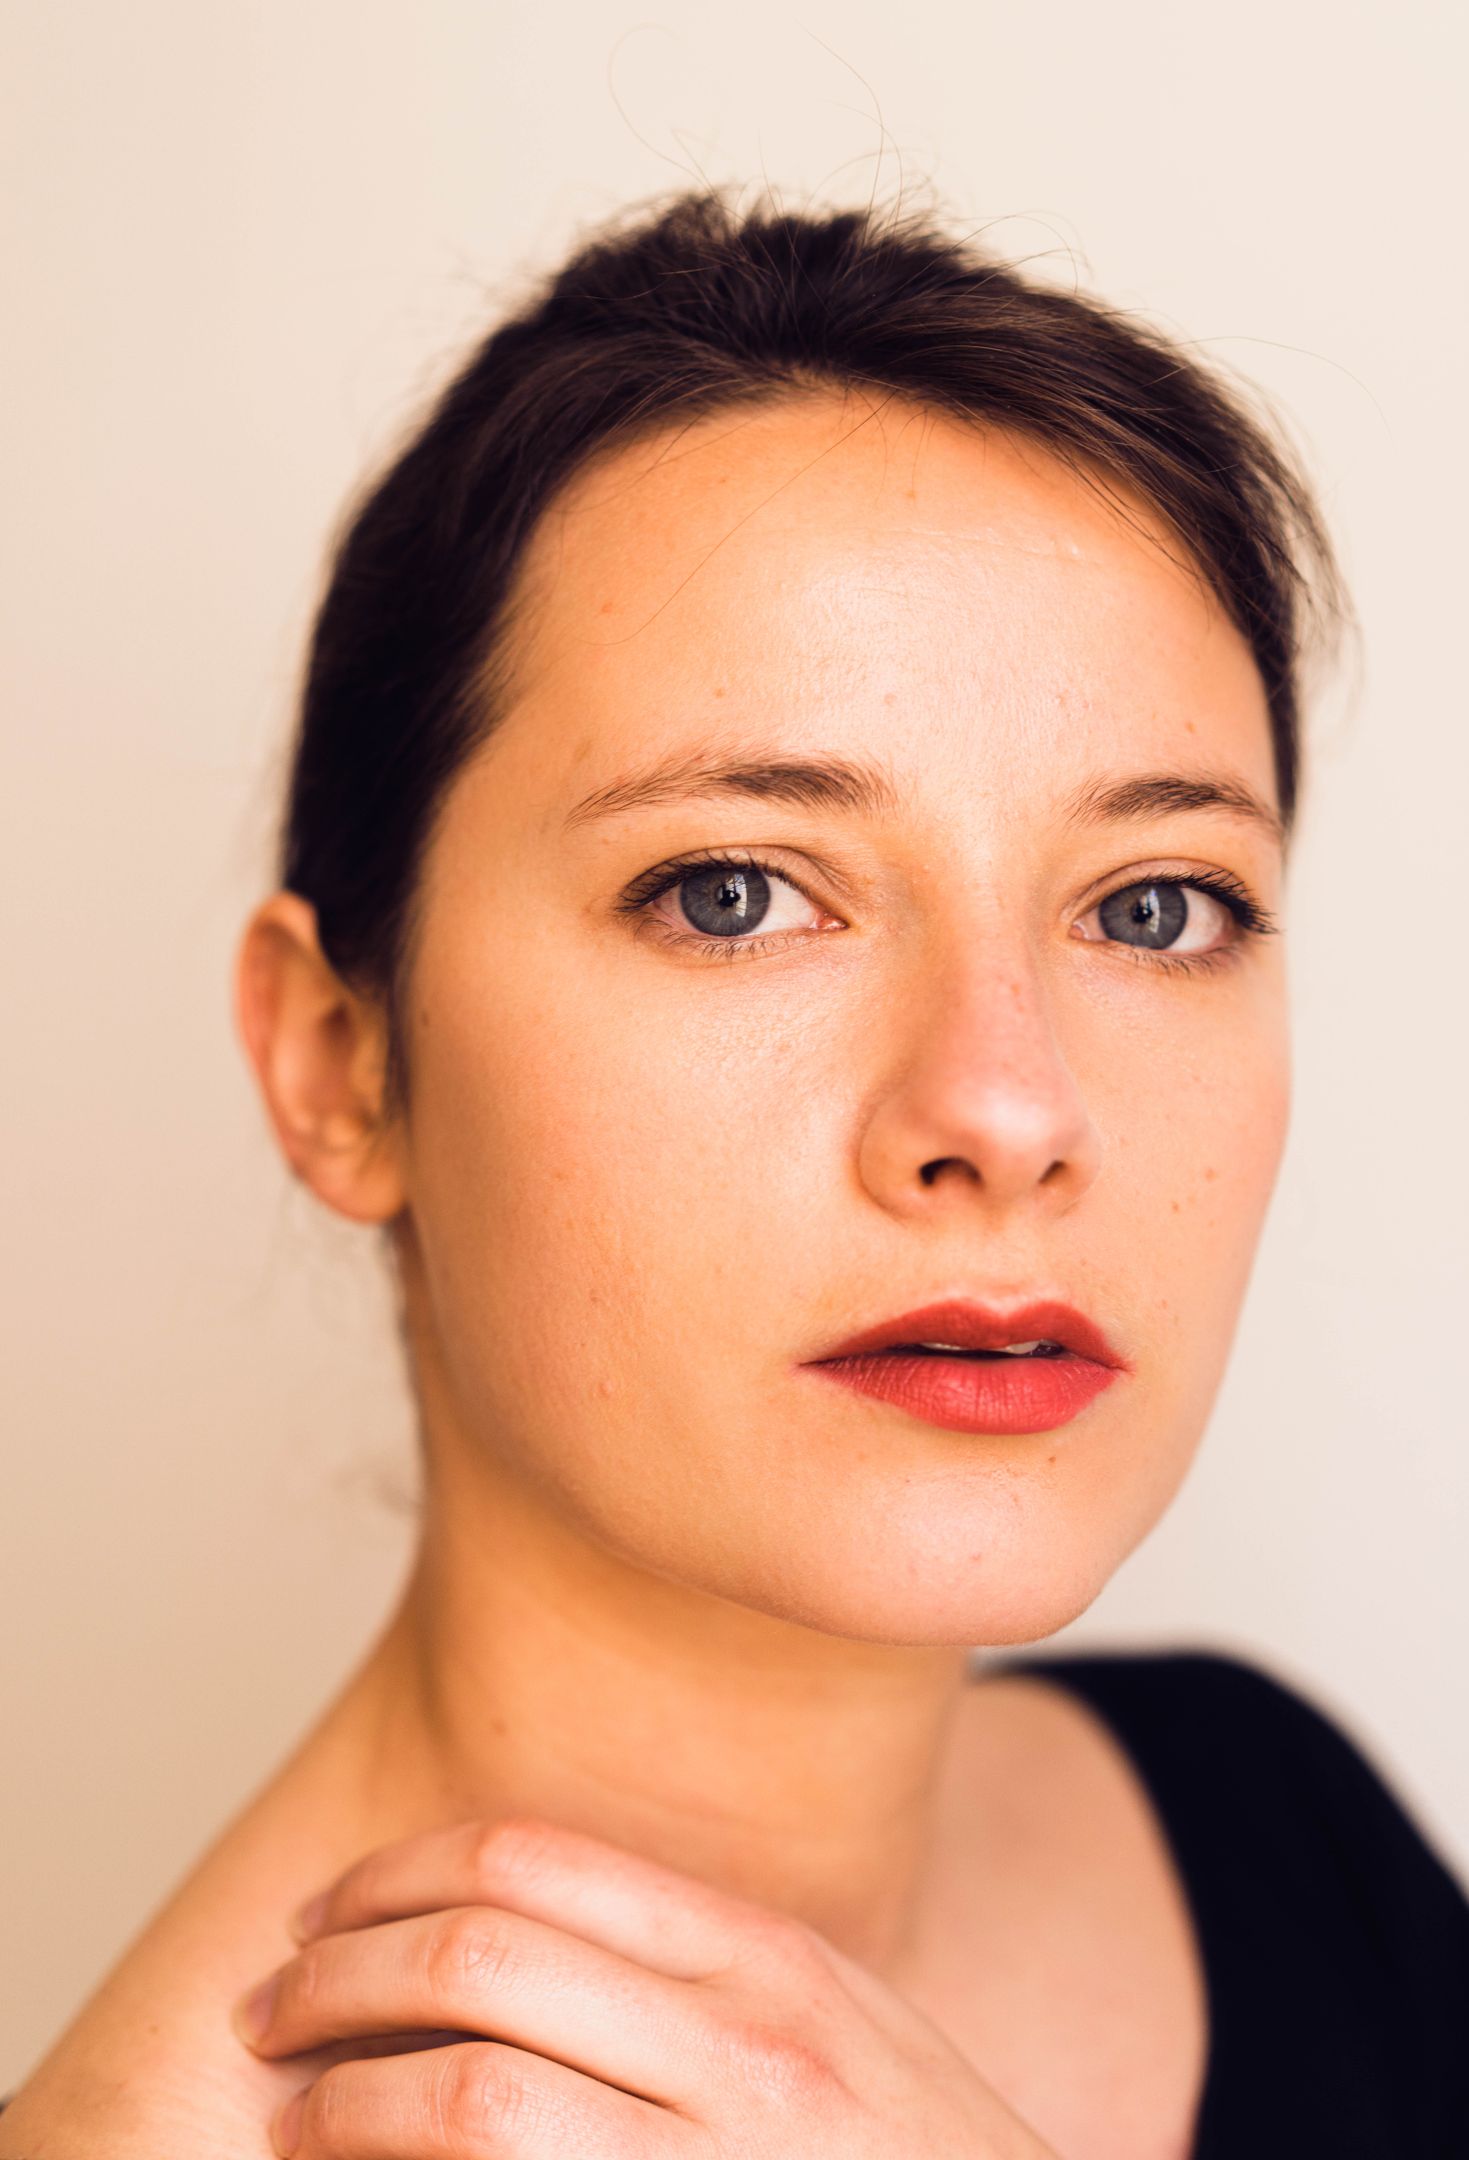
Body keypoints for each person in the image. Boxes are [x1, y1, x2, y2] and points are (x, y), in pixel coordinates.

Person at [4, 186, 1465, 2160]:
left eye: (1154, 906)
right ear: (343, 1062)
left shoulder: (1269, 1821)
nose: (1005, 1106)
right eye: (733, 892)